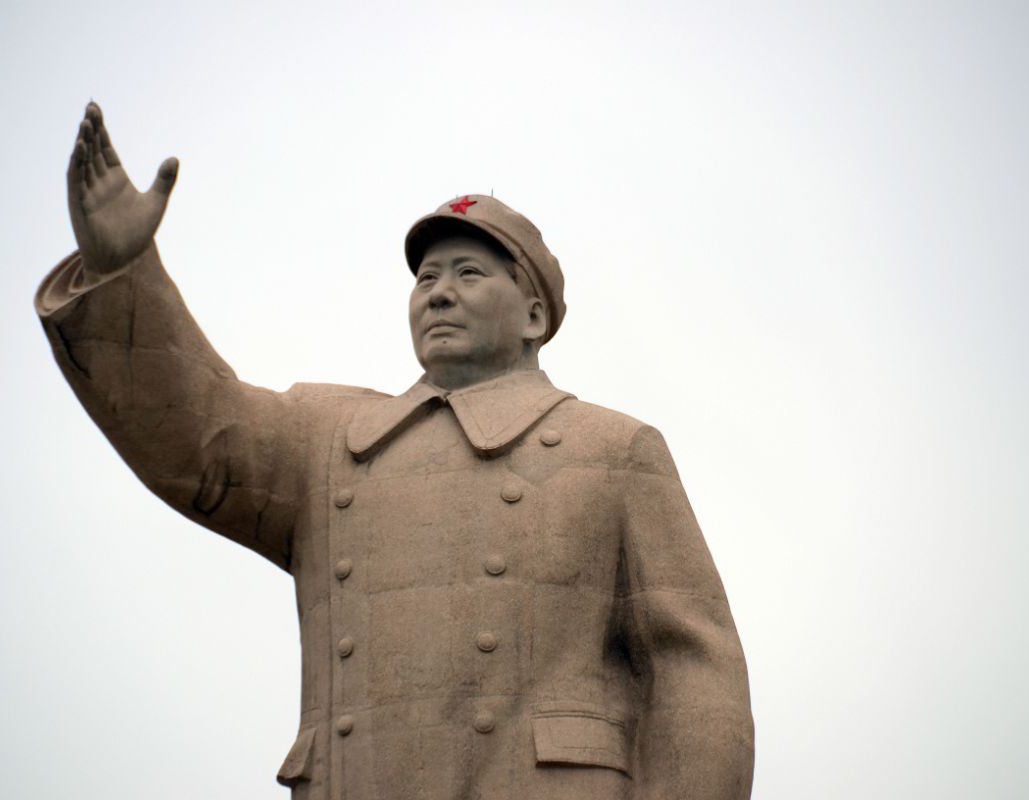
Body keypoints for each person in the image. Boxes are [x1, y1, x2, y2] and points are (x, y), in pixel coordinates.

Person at [37, 102, 754, 800]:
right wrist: (124, 267)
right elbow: (198, 436)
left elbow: (694, 667)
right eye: (426, 278)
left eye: (469, 274)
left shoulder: (614, 448)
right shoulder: (329, 439)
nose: (438, 294)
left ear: (534, 314)